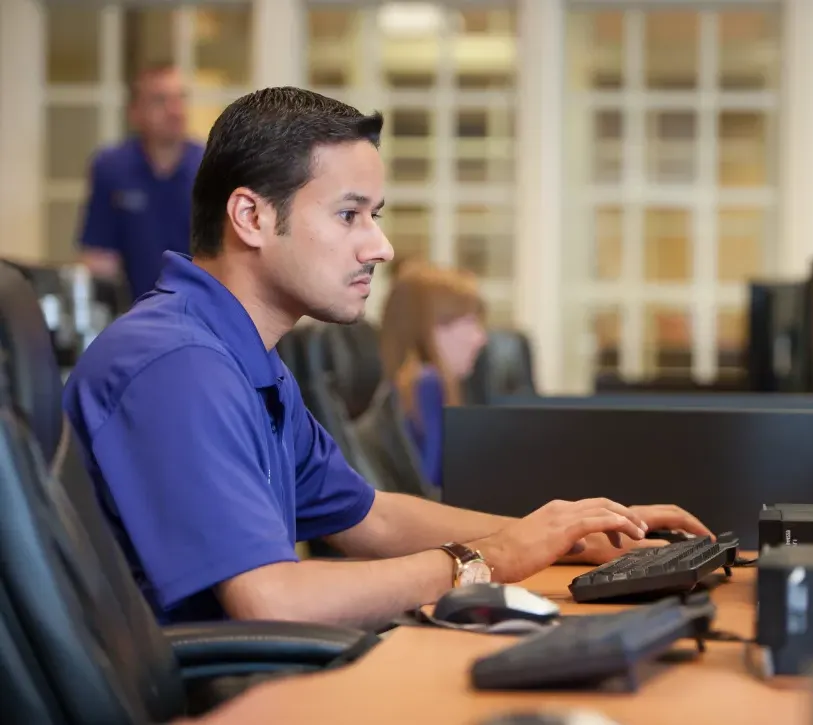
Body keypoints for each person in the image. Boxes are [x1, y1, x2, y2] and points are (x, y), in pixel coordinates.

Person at [62, 87, 712, 629]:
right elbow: (271, 600)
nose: (382, 246)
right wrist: (497, 555)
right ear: (251, 217)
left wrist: (559, 533)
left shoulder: (243, 357)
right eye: (351, 216)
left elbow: (368, 517)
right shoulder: (177, 365)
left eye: (375, 215)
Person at [77, 64, 204, 300]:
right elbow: (99, 258)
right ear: (135, 112)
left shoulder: (210, 167)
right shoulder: (111, 167)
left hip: (199, 313)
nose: (175, 110)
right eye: (160, 100)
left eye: (180, 98)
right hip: (133, 314)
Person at [379, 264, 488, 488]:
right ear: (428, 327)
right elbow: (433, 490)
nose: (479, 338)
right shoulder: (428, 384)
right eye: (468, 322)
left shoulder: (403, 386)